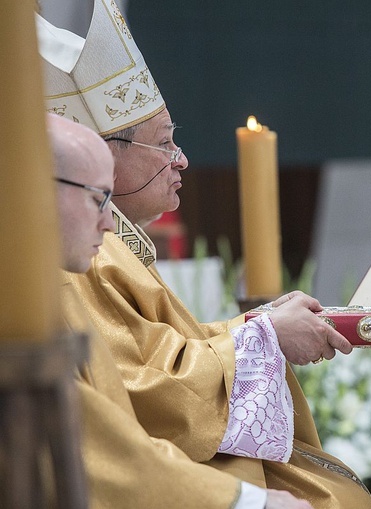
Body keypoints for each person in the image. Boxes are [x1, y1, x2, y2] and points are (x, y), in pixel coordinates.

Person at [38, 3, 371, 507]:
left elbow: (149, 357)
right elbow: (141, 395)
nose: (182, 160)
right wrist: (263, 336)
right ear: (103, 157)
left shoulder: (105, 242)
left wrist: (260, 326)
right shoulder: (82, 256)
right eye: (165, 143)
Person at [50, 113, 312, 508]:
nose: (107, 223)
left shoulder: (56, 270)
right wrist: (243, 501)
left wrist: (260, 326)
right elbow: (120, 417)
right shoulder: (62, 278)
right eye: (96, 198)